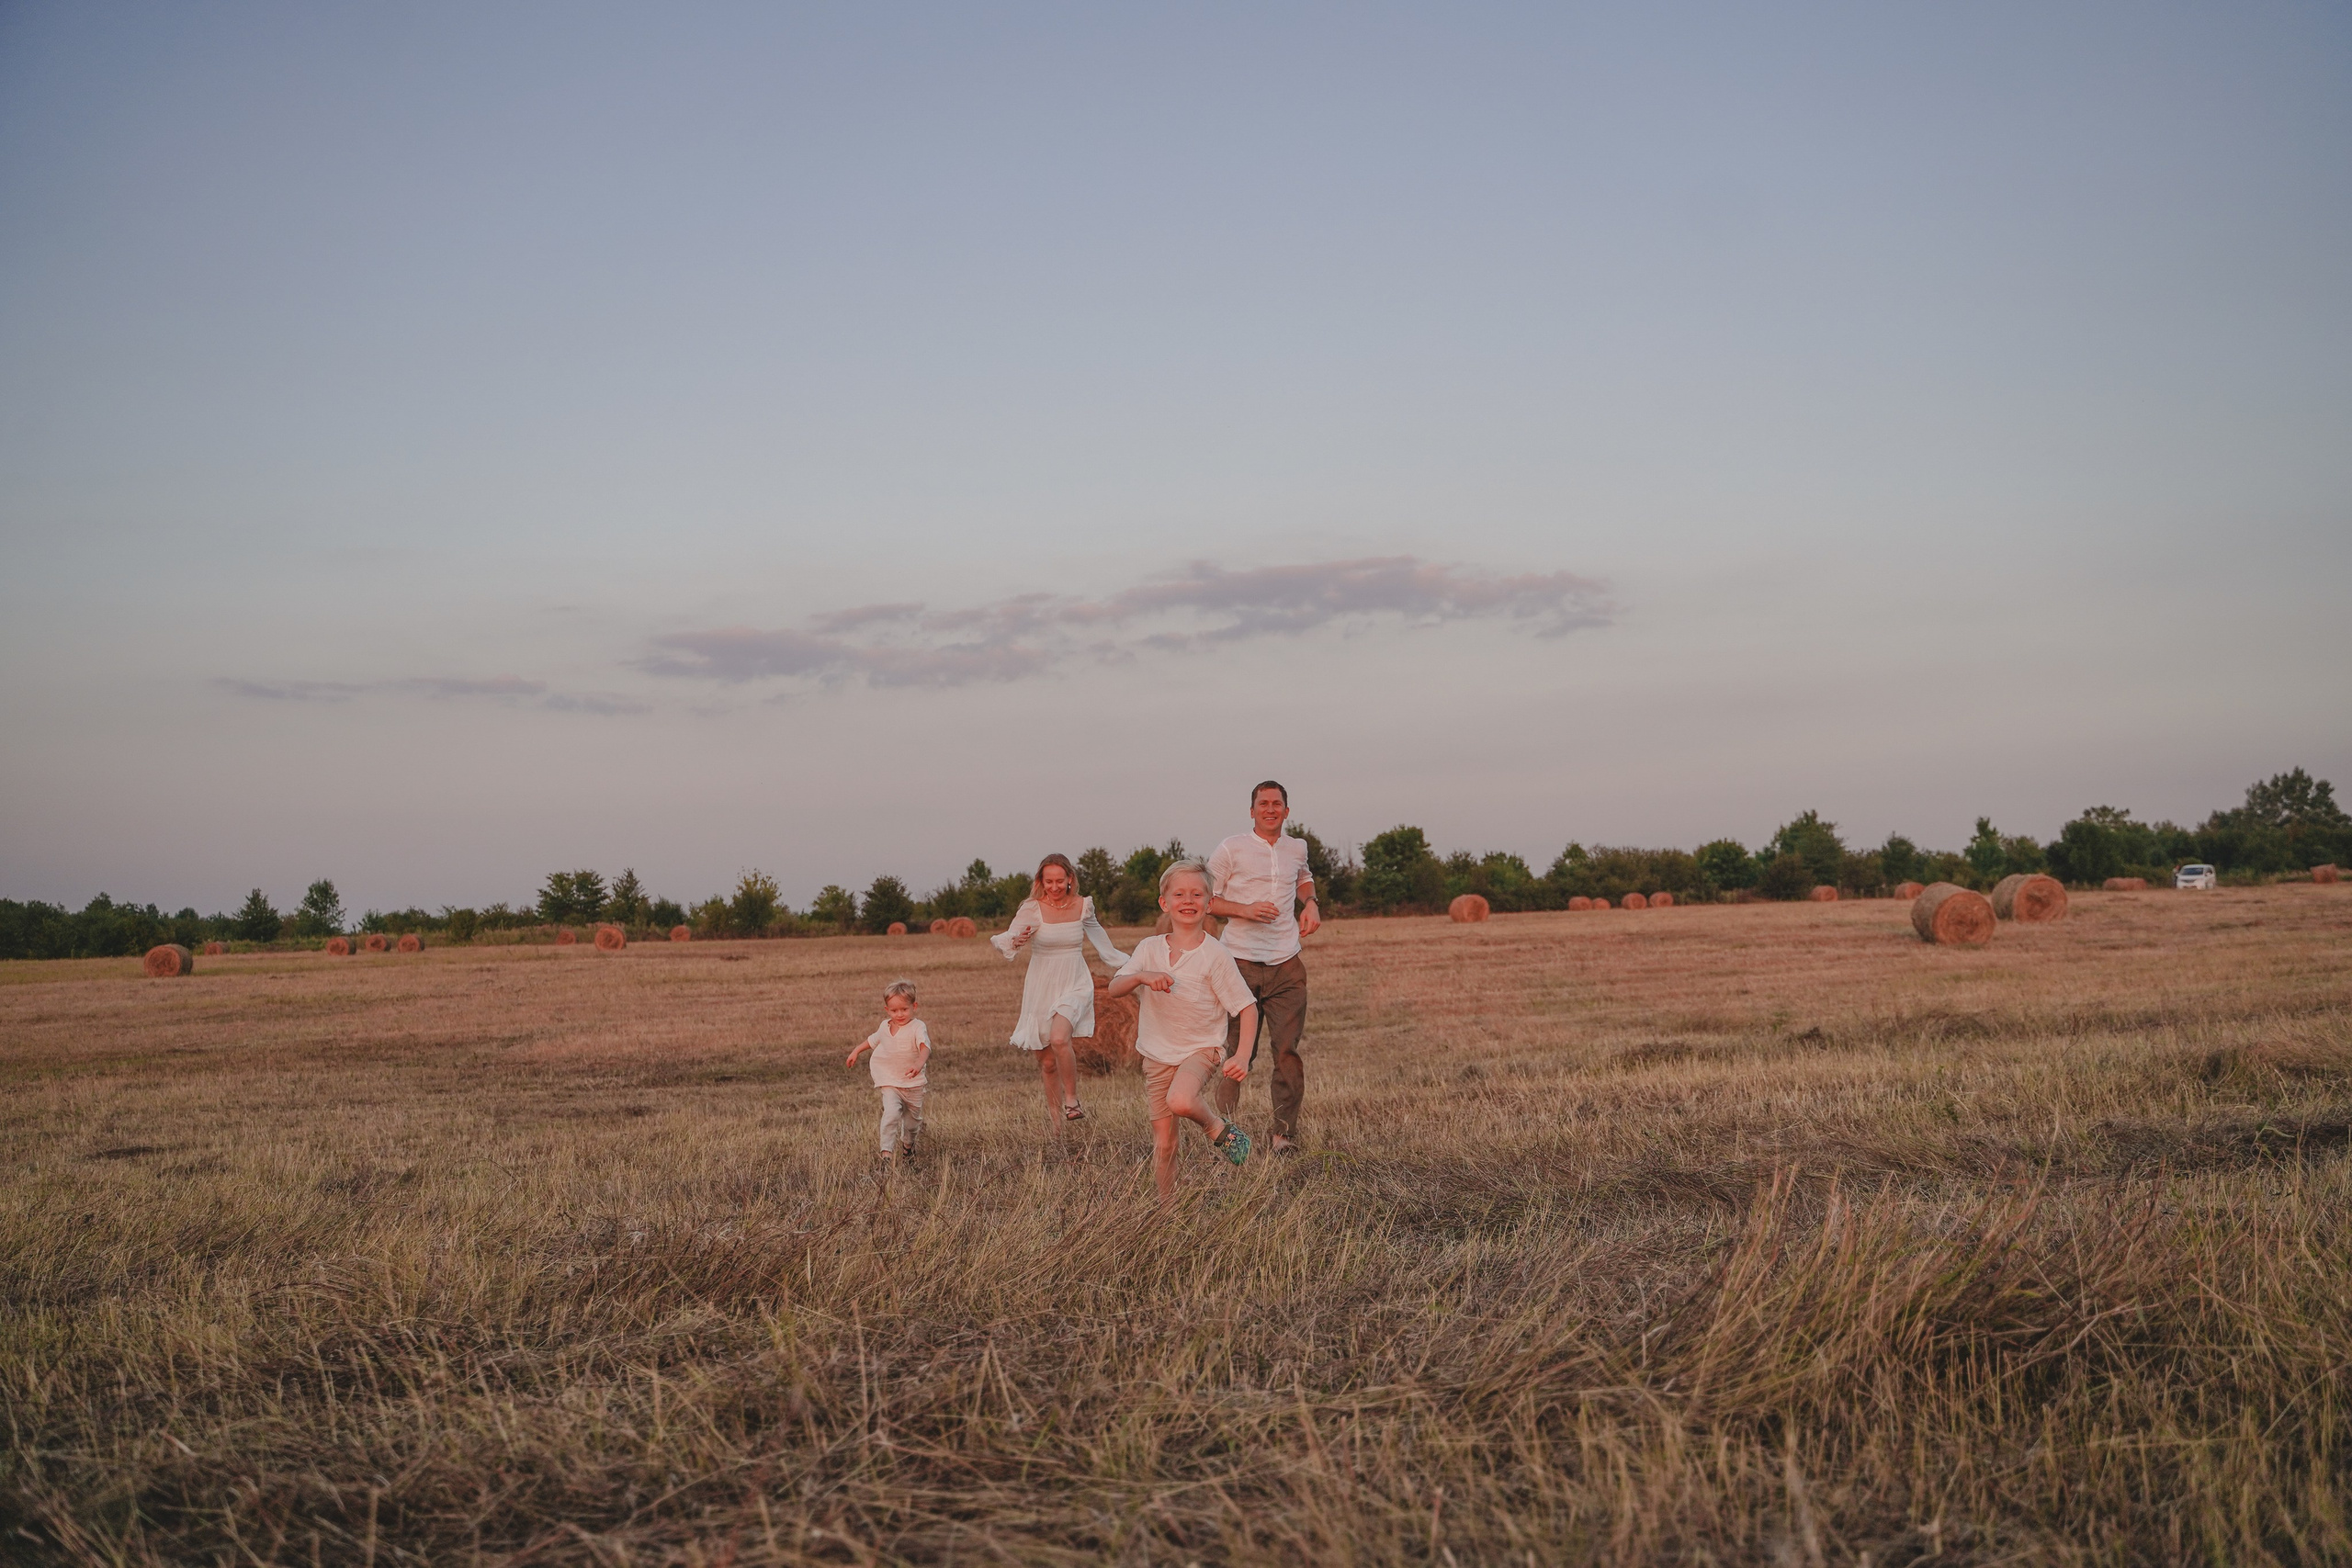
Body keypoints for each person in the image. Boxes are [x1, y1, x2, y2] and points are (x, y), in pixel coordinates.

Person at [1110, 859, 1257, 1200]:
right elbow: (1116, 987)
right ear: (1165, 902)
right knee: (1164, 1144)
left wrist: (1244, 1055)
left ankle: (1218, 1129)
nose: (1188, 901)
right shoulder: (1148, 948)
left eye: (1197, 894)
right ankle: (1169, 1210)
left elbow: (1247, 1008)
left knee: (1180, 1099)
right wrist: (1142, 976)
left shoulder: (1215, 955)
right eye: (1179, 894)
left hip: (1200, 1049)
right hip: (1157, 1055)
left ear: (1209, 904)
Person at [1207, 780, 1320, 1155]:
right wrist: (1244, 910)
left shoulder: (1297, 847)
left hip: (1287, 963)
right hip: (1238, 961)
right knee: (1238, 1053)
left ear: (1287, 811)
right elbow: (1204, 898)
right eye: (1263, 804)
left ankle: (1283, 1136)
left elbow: (1303, 876)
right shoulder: (1230, 848)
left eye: (1277, 804)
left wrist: (1311, 902)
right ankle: (1225, 1136)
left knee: (1287, 1051)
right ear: (1252, 811)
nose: (1270, 809)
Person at [992, 852, 1127, 1123]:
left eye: (1059, 881)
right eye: (1048, 881)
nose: (1054, 887)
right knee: (1047, 1062)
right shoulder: (1032, 909)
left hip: (1074, 981)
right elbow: (1006, 938)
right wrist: (1016, 940)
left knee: (1059, 1038)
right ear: (1041, 881)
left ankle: (1072, 1100)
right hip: (1042, 984)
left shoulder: (1083, 907)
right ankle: (1056, 1125)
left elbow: (1106, 948)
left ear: (1070, 880)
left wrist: (1137, 968)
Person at [845, 978, 930, 1166]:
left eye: (904, 1009)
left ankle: (908, 1148)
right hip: (890, 1081)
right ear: (887, 1010)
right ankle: (886, 1156)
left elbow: (925, 1048)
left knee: (912, 1124)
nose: (899, 1014)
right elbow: (873, 1040)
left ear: (913, 1006)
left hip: (913, 1085)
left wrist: (918, 1063)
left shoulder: (917, 1027)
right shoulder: (885, 1026)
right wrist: (856, 1051)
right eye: (894, 1010)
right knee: (891, 1113)